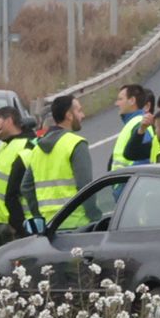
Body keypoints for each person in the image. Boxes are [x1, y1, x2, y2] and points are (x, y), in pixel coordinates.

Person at [22, 95, 91, 230]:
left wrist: (38, 216)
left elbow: (26, 187)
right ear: (69, 115)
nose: (82, 115)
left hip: (49, 224)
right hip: (77, 223)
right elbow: (85, 185)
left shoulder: (37, 148)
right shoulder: (76, 144)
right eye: (79, 111)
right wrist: (94, 214)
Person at [0, 105, 36, 246]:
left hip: (13, 225)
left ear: (8, 121)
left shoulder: (26, 146)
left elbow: (14, 192)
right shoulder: (3, 146)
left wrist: (19, 227)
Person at [109, 84, 155, 170]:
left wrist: (128, 181)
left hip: (128, 182)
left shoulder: (139, 123)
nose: (116, 104)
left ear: (132, 100)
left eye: (120, 99)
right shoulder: (134, 122)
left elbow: (144, 160)